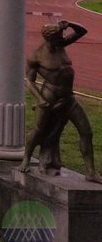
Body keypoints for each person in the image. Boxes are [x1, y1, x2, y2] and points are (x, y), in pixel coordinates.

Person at [20, 20, 101, 181]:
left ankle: (91, 172)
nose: (63, 38)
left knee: (86, 132)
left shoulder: (61, 44)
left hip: (69, 97)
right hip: (49, 97)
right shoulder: (36, 55)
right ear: (51, 39)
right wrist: (40, 99)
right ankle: (26, 159)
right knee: (38, 130)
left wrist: (69, 24)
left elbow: (82, 31)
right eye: (60, 36)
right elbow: (29, 80)